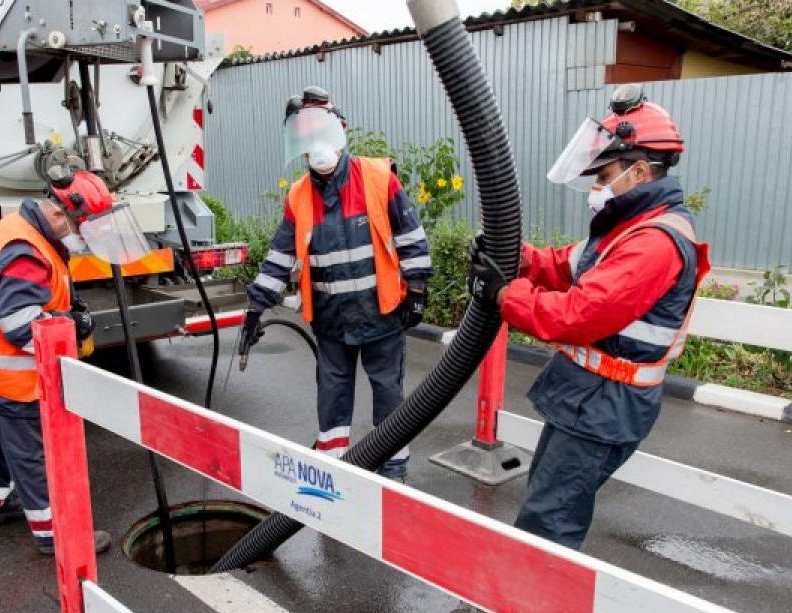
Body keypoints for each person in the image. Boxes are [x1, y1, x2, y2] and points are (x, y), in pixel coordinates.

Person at [469, 85, 711, 550]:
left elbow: (578, 315)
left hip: (605, 406)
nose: (598, 186)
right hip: (589, 400)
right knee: (546, 509)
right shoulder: (630, 226)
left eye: (605, 174)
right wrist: (515, 255)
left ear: (640, 171)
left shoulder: (653, 243)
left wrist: (504, 293)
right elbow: (565, 265)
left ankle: (535, 600)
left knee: (550, 524)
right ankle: (533, 593)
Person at [239, 86, 433, 482]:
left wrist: (416, 291)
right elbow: (280, 257)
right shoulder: (298, 196)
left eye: (322, 132)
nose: (316, 144)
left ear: (340, 130)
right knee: (332, 397)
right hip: (331, 322)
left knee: (388, 393)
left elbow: (411, 236)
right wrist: (255, 308)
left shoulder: (378, 177)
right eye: (306, 137)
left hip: (381, 314)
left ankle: (392, 470)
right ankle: (335, 471)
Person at [0, 170, 112, 555]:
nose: (85, 238)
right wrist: (70, 324)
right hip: (9, 375)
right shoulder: (25, 253)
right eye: (84, 228)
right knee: (31, 455)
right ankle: (55, 534)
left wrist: (63, 307)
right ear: (61, 214)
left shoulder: (20, 228)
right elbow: (19, 326)